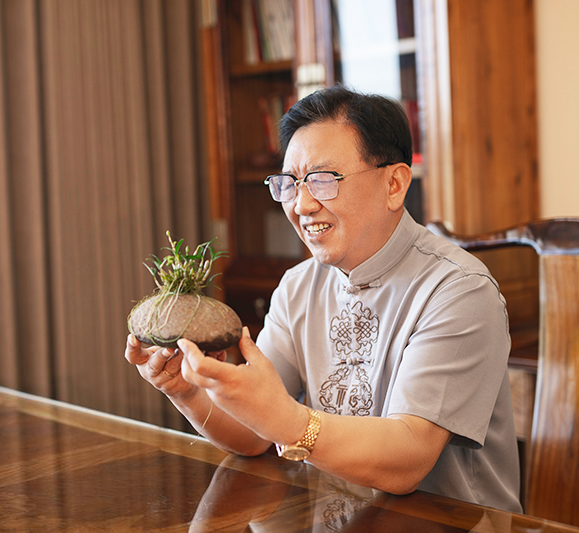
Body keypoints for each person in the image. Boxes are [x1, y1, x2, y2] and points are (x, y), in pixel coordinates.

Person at [125, 85, 522, 513]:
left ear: (394, 184)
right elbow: (255, 435)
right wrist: (186, 392)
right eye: (290, 184)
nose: (302, 204)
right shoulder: (298, 286)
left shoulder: (459, 289)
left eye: (322, 180)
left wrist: (289, 421)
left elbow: (409, 458)